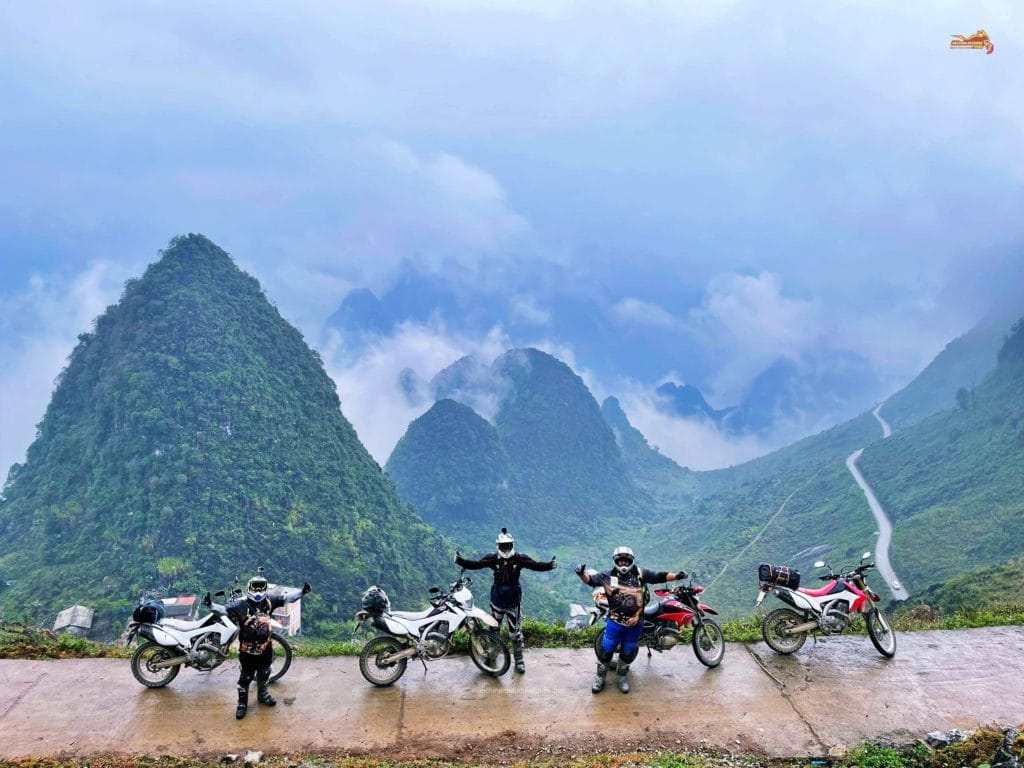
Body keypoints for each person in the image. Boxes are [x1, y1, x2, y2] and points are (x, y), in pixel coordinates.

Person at [575, 547, 686, 694]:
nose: (623, 564)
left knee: (628, 651)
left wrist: (677, 576)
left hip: (635, 624)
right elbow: (590, 580)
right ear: (615, 561)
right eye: (620, 560)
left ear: (631, 561)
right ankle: (600, 677)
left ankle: (621, 677)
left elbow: (659, 576)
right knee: (606, 649)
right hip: (615, 622)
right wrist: (581, 573)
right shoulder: (606, 575)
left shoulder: (640, 574)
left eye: (626, 561)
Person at [455, 528, 556, 673]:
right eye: (503, 545)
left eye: (508, 545)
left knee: (515, 632)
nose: (506, 548)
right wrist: (461, 561)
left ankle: (519, 660)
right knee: (494, 630)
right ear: (498, 546)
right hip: (497, 601)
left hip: (513, 602)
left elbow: (535, 565)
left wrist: (549, 565)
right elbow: (477, 564)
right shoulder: (493, 558)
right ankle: (492, 655)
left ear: (512, 544)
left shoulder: (519, 558)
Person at [227, 574, 311, 719]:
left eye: (261, 587)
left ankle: (263, 695)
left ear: (265, 588)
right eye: (255, 587)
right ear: (249, 588)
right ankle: (242, 704)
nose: (258, 590)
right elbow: (223, 610)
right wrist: (211, 605)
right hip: (246, 650)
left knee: (265, 673)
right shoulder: (241, 604)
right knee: (246, 677)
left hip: (265, 648)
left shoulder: (270, 600)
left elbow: (287, 598)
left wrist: (302, 592)